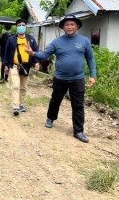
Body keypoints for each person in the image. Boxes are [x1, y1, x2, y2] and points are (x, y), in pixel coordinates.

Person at [25, 14, 96, 143]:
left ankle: (78, 131)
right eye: (67, 24)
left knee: (78, 105)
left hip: (78, 79)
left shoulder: (84, 41)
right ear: (63, 27)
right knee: (55, 100)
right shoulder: (57, 42)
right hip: (60, 78)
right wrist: (33, 53)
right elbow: (45, 54)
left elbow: (90, 58)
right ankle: (50, 118)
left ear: (77, 26)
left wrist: (92, 75)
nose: (69, 27)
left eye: (72, 24)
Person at [4, 19, 39, 116]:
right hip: (14, 66)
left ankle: (21, 103)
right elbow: (6, 53)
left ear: (26, 26)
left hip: (26, 66)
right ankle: (15, 106)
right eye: (19, 25)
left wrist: (36, 62)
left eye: (23, 25)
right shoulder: (11, 39)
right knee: (16, 85)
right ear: (16, 27)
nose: (21, 26)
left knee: (23, 87)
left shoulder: (31, 39)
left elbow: (36, 51)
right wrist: (6, 65)